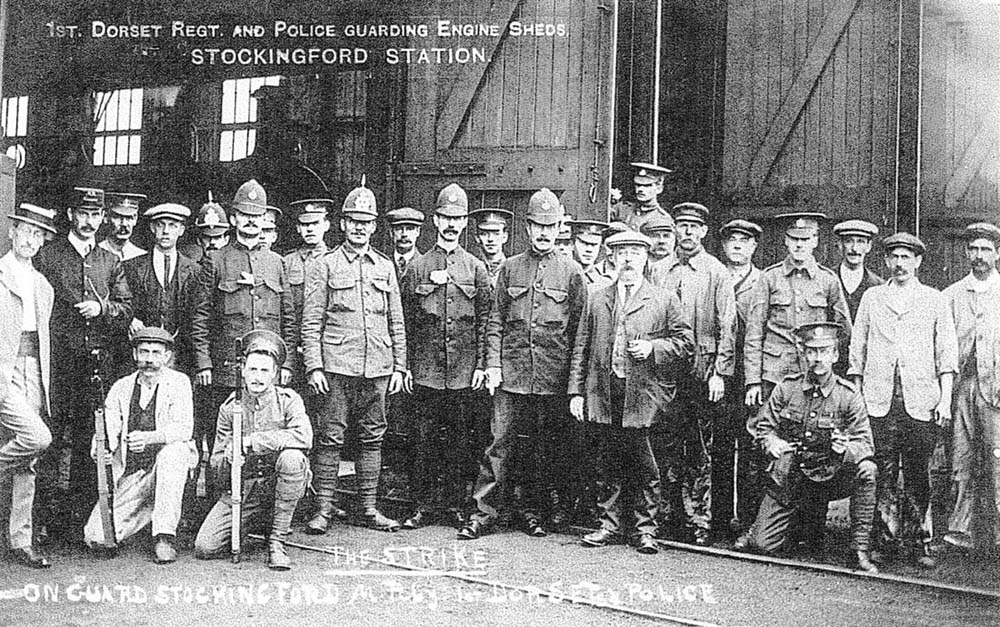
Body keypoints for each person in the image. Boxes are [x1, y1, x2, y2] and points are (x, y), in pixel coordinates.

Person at [459, 188, 586, 540]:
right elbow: (495, 322)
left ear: (559, 226)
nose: (543, 233)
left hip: (551, 378)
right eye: (537, 226)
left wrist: (573, 386)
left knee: (540, 451)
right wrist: (494, 366)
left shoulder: (572, 274)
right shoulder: (510, 269)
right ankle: (483, 513)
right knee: (498, 445)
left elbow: (580, 337)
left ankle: (532, 512)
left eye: (550, 226)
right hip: (511, 377)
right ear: (527, 228)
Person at [569, 230, 693, 554]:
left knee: (646, 466)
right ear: (611, 257)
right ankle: (608, 525)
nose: (628, 259)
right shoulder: (597, 297)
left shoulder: (663, 299)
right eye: (621, 252)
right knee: (607, 462)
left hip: (644, 396)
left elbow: (685, 343)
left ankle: (645, 530)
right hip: (605, 390)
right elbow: (582, 346)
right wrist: (577, 393)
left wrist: (653, 347)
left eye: (635, 253)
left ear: (646, 258)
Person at [302, 179, 407, 533]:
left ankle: (368, 508)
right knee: (330, 436)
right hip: (336, 367)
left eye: (367, 222)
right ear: (343, 224)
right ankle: (324, 510)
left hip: (377, 367)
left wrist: (399, 366)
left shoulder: (384, 266)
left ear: (375, 227)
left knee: (372, 437)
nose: (360, 228)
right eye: (354, 221)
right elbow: (311, 321)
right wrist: (314, 366)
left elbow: (396, 320)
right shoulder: (325, 264)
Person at [848, 232, 958, 568]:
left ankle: (918, 541)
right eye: (894, 257)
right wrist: (858, 397)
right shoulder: (872, 298)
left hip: (920, 401)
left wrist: (944, 399)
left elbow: (947, 354)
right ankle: (883, 539)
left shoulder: (934, 299)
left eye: (906, 258)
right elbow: (858, 350)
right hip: (879, 401)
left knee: (917, 475)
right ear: (886, 261)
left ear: (918, 261)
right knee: (881, 472)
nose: (899, 264)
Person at [35, 186, 133, 529]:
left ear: (102, 217)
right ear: (71, 215)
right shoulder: (49, 256)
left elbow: (125, 308)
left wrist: (101, 307)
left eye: (95, 214)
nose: (89, 221)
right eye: (83, 213)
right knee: (50, 439)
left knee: (88, 440)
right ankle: (43, 520)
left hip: (95, 367)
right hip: (58, 364)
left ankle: (79, 522)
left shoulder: (110, 261)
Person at [745, 322, 878, 573]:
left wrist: (844, 450)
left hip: (833, 475)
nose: (818, 358)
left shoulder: (848, 395)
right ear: (804, 354)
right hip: (795, 477)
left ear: (835, 355)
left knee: (867, 470)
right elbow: (763, 428)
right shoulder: (787, 388)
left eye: (824, 351)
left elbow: (864, 444)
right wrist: (771, 442)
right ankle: (788, 526)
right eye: (812, 351)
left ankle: (859, 549)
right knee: (761, 545)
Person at [399, 183, 492, 529]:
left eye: (458, 218)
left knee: (459, 443)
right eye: (445, 218)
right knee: (422, 442)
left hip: (463, 372)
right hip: (425, 372)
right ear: (435, 221)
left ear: (465, 223)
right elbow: (404, 321)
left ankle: (455, 505)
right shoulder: (418, 268)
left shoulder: (475, 269)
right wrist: (405, 366)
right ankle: (421, 506)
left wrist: (482, 364)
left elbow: (486, 320)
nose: (451, 224)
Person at [647, 202, 737, 545]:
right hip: (665, 374)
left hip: (701, 373)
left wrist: (720, 374)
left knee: (700, 452)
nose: (686, 232)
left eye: (693, 227)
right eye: (681, 226)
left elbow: (727, 326)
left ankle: (700, 521)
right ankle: (668, 516)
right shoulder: (659, 271)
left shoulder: (716, 273)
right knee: (664, 446)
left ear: (703, 232)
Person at [190, 179, 296, 465]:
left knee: (264, 441)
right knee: (220, 445)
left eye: (257, 216)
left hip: (266, 370)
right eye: (245, 215)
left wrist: (286, 364)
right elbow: (200, 317)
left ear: (265, 219)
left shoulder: (276, 262)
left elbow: (288, 319)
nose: (251, 222)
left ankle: (256, 506)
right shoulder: (216, 260)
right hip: (227, 371)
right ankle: (218, 503)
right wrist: (204, 363)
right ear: (234, 218)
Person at [194, 330, 312, 570]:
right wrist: (228, 457)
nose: (258, 377)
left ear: (275, 374)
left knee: (292, 457)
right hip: (243, 490)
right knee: (205, 547)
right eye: (253, 369)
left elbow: (303, 437)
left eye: (265, 370)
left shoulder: (289, 400)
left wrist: (251, 442)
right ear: (243, 371)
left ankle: (277, 542)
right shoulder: (230, 408)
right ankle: (255, 523)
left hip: (279, 484)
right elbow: (216, 466)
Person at [83, 327, 198, 563]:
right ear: (135, 354)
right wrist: (103, 448)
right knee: (96, 536)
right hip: (133, 474)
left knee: (174, 453)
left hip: (166, 468)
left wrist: (149, 438)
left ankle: (164, 535)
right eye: (144, 352)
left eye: (156, 353)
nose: (149, 359)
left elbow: (183, 429)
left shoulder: (179, 383)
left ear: (167, 357)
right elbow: (108, 427)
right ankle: (150, 515)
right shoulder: (121, 387)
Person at [0, 203, 56, 568]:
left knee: (29, 460)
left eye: (38, 234)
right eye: (26, 231)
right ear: (11, 233)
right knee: (37, 437)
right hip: (4, 370)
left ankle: (20, 540)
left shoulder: (42, 285)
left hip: (34, 369)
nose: (31, 240)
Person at [942, 223, 1000, 551]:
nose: (978, 256)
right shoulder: (951, 295)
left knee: (997, 460)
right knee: (960, 460)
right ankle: (959, 531)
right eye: (973, 249)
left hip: (997, 388)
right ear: (966, 253)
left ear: (997, 254)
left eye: (985, 250)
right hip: (962, 389)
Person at [716, 219, 764, 537]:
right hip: (721, 375)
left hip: (750, 376)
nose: (737, 245)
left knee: (749, 448)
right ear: (723, 245)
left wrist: (755, 379)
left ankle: (747, 520)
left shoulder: (763, 282)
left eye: (744, 240)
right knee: (719, 446)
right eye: (731, 239)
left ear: (753, 247)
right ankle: (719, 519)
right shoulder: (714, 277)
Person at [123, 203, 199, 375]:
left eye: (172, 225)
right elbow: (121, 302)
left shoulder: (194, 270)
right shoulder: (131, 267)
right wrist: (130, 320)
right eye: (160, 224)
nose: (166, 231)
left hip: (180, 355)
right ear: (152, 227)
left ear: (181, 230)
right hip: (142, 353)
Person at [832, 219, 884, 321]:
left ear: (868, 247)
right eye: (848, 241)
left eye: (860, 242)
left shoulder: (878, 285)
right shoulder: (828, 279)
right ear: (840, 245)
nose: (854, 248)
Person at [610, 162, 673, 232]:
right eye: (638, 185)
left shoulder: (662, 218)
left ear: (659, 189)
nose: (640, 189)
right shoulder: (621, 209)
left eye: (647, 186)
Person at [469, 208, 512, 288]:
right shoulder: (470, 268)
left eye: (496, 234)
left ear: (505, 237)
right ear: (477, 237)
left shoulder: (513, 268)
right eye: (484, 234)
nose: (490, 239)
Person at [179, 196, 228, 264]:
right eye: (207, 237)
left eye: (217, 237)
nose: (212, 242)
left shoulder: (234, 266)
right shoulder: (193, 268)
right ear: (199, 240)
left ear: (226, 240)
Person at [99, 192, 148, 262]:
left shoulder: (141, 256)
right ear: (106, 217)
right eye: (117, 217)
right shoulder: (95, 253)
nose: (124, 224)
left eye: (129, 218)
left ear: (135, 219)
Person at [387, 206, 424, 278]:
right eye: (399, 229)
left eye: (410, 229)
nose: (404, 234)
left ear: (418, 232)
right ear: (391, 232)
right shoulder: (382, 263)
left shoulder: (425, 265)